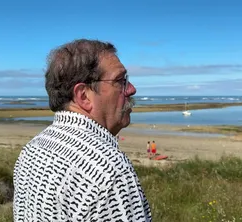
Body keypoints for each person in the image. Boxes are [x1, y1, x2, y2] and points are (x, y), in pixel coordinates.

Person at [13, 39, 152, 222]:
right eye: (120, 80)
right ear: (84, 95)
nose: (132, 89)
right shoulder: (108, 171)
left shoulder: (33, 148)